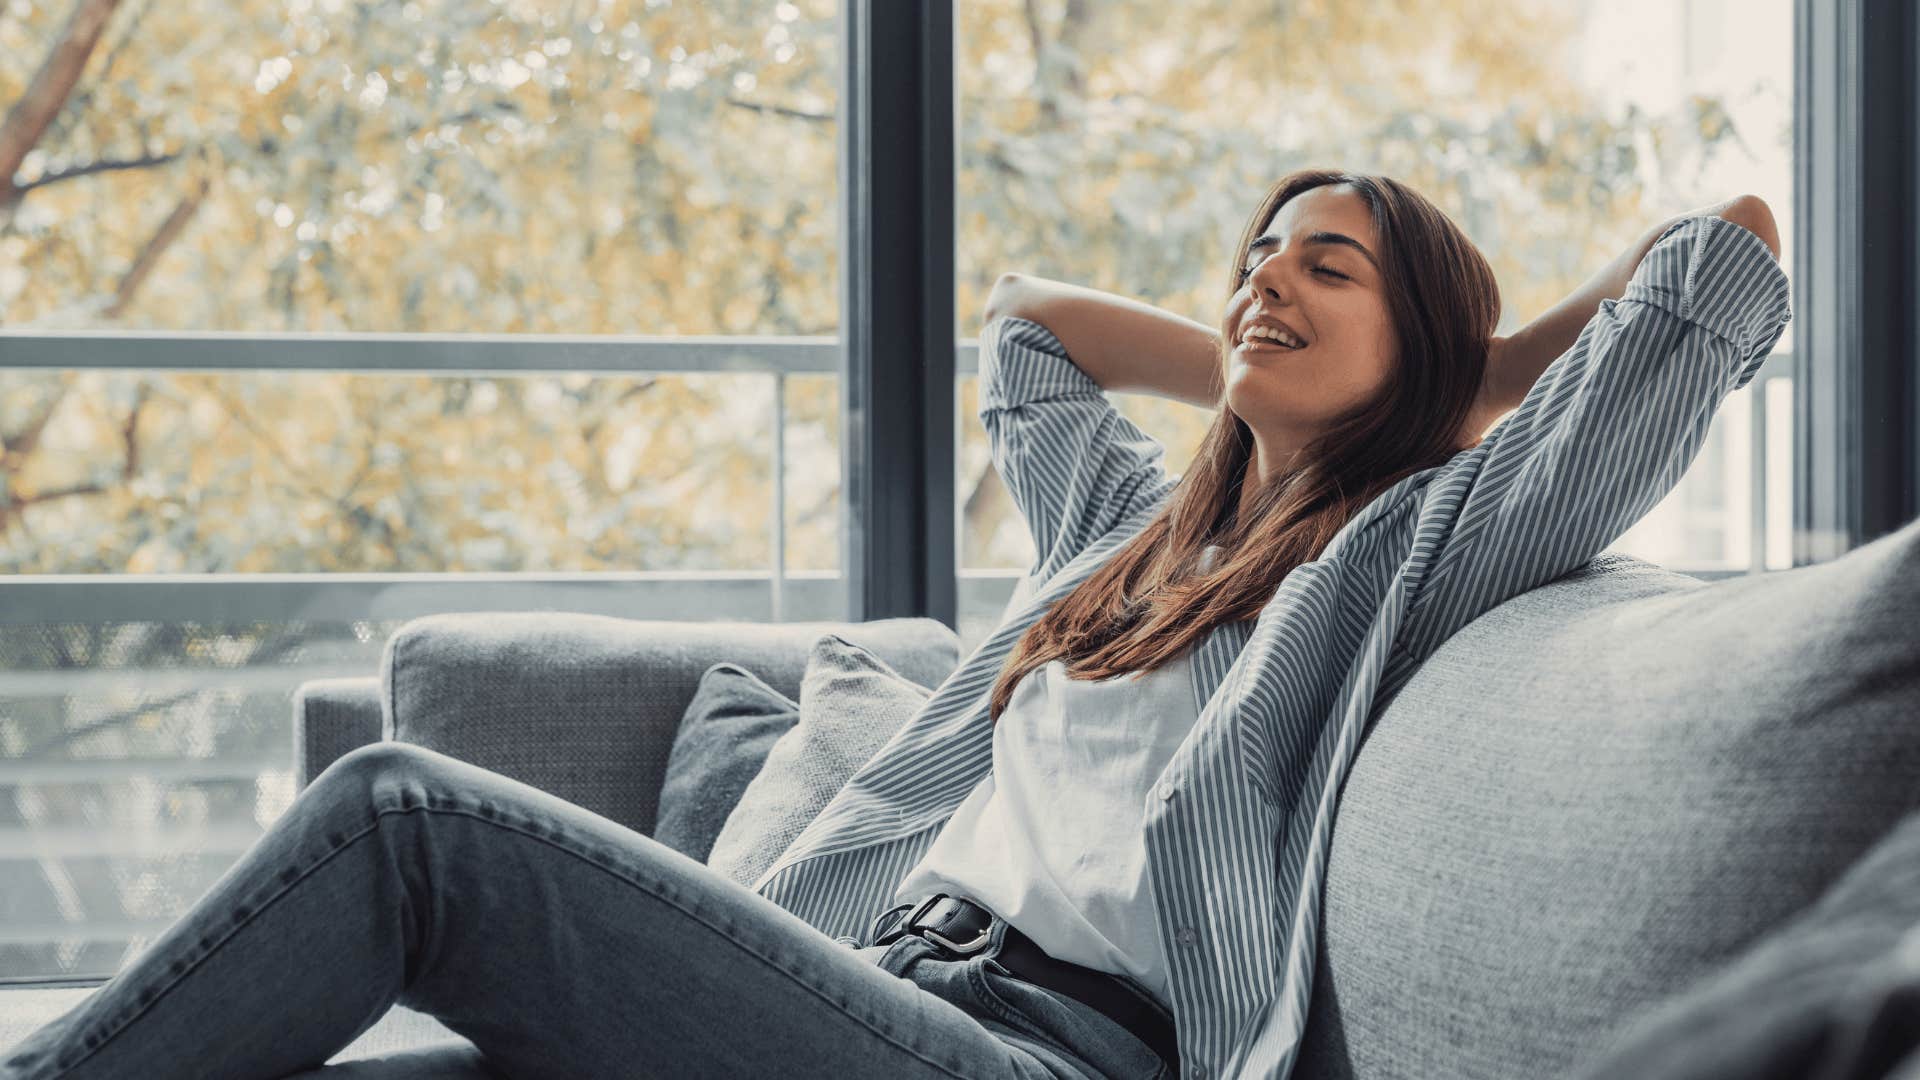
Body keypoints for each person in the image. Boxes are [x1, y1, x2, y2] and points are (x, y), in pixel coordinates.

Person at [1, 170, 1788, 1080]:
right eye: (1258, 255)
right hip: (867, 983)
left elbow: (1726, 257)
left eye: (1333, 267)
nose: (1269, 280)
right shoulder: (1122, 542)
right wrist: (1249, 364)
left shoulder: (1407, 549)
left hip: (1033, 1051)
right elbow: (1027, 327)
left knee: (412, 825)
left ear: (1427, 342)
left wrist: (1479, 376)